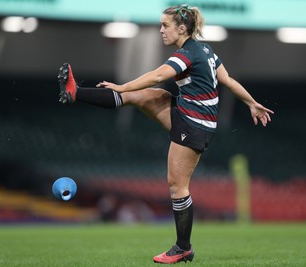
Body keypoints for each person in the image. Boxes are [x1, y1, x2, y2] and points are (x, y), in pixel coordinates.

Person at [57, 4, 274, 264]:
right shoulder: (205, 50)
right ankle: (75, 92)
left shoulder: (188, 53)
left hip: (194, 125)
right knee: (145, 96)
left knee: (177, 186)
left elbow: (159, 74)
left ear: (182, 28)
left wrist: (122, 84)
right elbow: (227, 80)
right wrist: (251, 103)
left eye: (165, 25)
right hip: (188, 116)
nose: (161, 30)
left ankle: (183, 247)